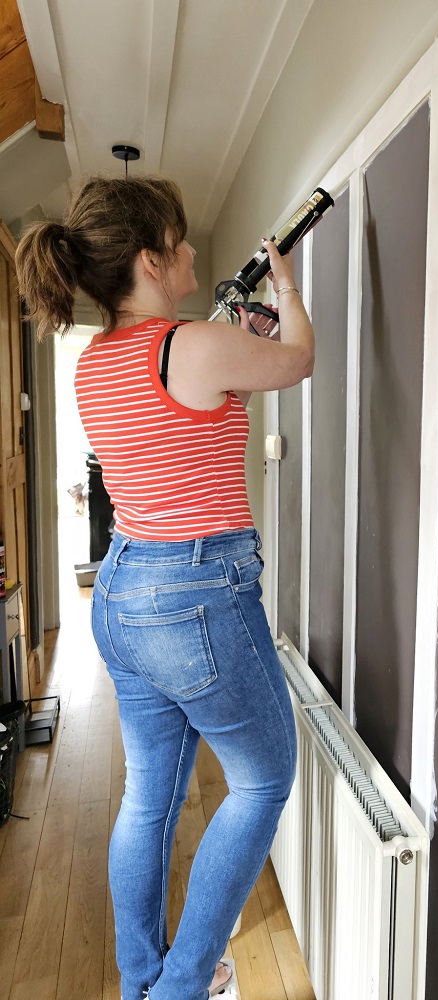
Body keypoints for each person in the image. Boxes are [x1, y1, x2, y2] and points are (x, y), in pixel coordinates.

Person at [16, 176, 314, 1000]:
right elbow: (299, 358)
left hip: (123, 592)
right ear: (150, 261)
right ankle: (181, 989)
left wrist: (233, 341)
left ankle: (142, 976)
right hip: (198, 596)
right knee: (261, 779)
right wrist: (282, 280)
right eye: (179, 243)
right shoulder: (193, 344)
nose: (189, 253)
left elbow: (188, 420)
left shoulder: (95, 363)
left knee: (148, 797)